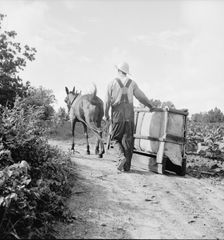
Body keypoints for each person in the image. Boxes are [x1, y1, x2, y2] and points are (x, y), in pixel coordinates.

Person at [104, 62, 154, 172]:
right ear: (126, 72)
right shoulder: (132, 83)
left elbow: (107, 101)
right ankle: (127, 167)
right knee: (128, 140)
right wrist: (151, 106)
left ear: (118, 71)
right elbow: (141, 97)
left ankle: (121, 157)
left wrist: (106, 115)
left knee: (115, 139)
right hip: (129, 114)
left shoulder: (111, 83)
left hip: (117, 113)